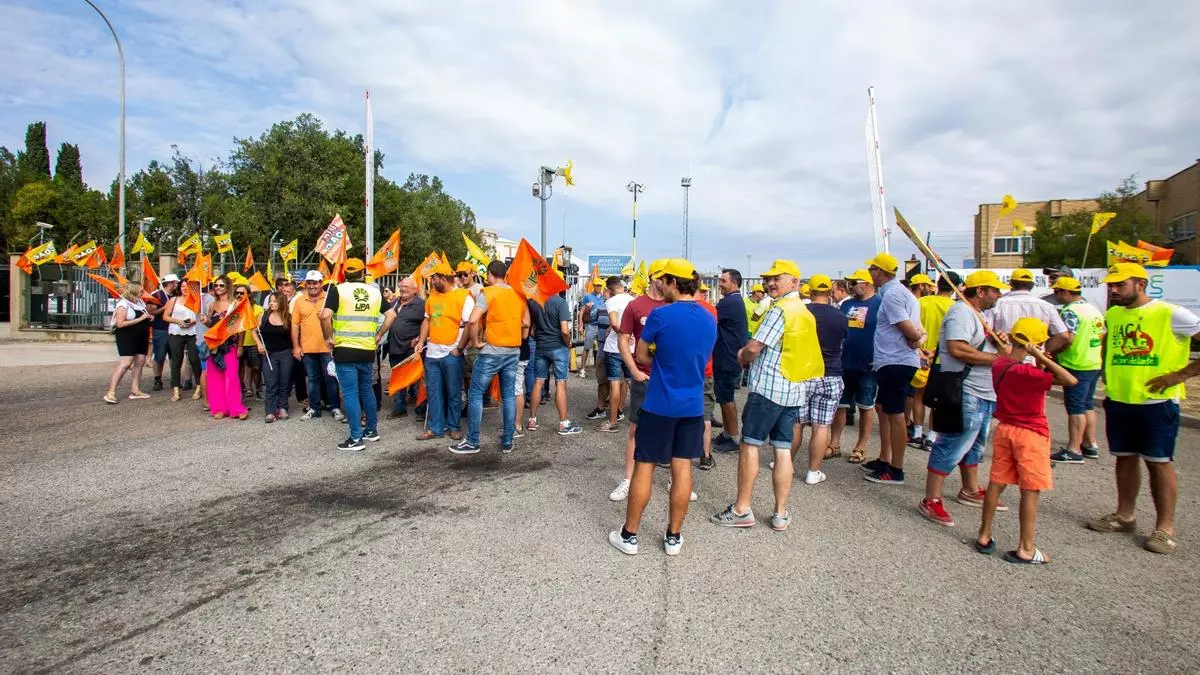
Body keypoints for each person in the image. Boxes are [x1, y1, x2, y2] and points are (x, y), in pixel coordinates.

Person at [1087, 263, 1200, 555]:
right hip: (1121, 399)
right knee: (1124, 458)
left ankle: (1165, 528)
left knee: (1158, 462)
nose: (1113, 290)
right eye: (1110, 285)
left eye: (1120, 284)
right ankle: (1125, 515)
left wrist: (1179, 376)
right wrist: (1107, 372)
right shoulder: (1114, 314)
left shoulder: (1170, 313)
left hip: (1156, 403)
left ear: (1140, 284)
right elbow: (1109, 346)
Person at [608, 260, 716, 556]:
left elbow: (641, 354)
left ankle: (629, 535)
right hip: (692, 405)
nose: (661, 286)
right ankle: (673, 536)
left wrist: (662, 360)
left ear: (672, 282)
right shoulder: (709, 316)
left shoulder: (661, 315)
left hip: (660, 403)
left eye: (664, 281)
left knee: (645, 466)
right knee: (682, 467)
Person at [711, 260, 823, 532]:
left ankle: (741, 509)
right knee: (782, 449)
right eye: (768, 278)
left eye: (777, 278)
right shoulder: (804, 312)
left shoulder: (781, 309)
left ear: (794, 282)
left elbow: (755, 347)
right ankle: (780, 513)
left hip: (769, 389)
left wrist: (742, 355)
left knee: (750, 445)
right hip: (793, 388)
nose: (770, 283)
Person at [975, 317, 1077, 565]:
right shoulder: (1029, 373)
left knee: (996, 482)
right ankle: (1026, 548)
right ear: (1037, 343)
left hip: (1005, 429)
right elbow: (1070, 380)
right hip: (1031, 433)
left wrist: (1035, 357)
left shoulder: (1000, 365)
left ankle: (984, 534)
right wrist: (1041, 358)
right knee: (1030, 490)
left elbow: (1011, 359)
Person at [916, 271, 1009, 526]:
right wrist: (999, 359)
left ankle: (970, 488)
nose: (998, 294)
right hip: (964, 389)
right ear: (980, 291)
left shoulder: (978, 314)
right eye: (995, 290)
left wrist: (1000, 344)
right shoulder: (961, 313)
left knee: (975, 444)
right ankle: (931, 498)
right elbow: (957, 348)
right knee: (953, 442)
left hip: (983, 390)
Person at [451, 260, 529, 454]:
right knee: (508, 395)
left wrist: (476, 342)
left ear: (490, 275)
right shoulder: (517, 294)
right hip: (513, 350)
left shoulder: (488, 292)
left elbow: (473, 320)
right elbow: (526, 323)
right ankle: (507, 441)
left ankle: (473, 441)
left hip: (492, 350)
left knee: (476, 393)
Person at [862, 253, 926, 486]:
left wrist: (915, 338)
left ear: (880, 271)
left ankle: (896, 468)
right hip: (893, 360)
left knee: (895, 414)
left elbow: (910, 329)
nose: (870, 274)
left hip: (895, 360)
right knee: (883, 408)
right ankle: (885, 458)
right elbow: (920, 330)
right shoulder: (901, 293)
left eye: (872, 269)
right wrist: (918, 338)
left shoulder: (893, 295)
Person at [609, 261, 667, 501]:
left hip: (668, 379)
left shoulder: (674, 304)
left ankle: (676, 480)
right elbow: (623, 339)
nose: (667, 281)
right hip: (644, 377)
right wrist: (633, 370)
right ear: (653, 278)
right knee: (635, 430)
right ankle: (628, 480)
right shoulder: (636, 305)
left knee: (671, 430)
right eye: (663, 276)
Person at [320, 258, 384, 451]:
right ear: (363, 273)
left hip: (345, 349)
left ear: (344, 273)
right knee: (366, 390)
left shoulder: (337, 290)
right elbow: (391, 315)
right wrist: (379, 334)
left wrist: (328, 337)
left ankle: (356, 438)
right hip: (367, 349)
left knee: (350, 393)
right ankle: (371, 430)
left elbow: (325, 315)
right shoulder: (375, 292)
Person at [788, 274, 847, 484]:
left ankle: (786, 463)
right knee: (821, 426)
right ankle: (813, 471)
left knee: (797, 424)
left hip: (803, 373)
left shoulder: (801, 312)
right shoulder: (840, 316)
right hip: (831, 374)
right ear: (829, 293)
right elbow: (844, 342)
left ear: (810, 292)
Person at [415, 261, 474, 441]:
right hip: (432, 353)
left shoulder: (463, 297)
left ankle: (454, 426)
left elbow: (470, 324)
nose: (431, 282)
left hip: (451, 353)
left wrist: (460, 348)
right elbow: (427, 320)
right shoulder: (432, 297)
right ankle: (435, 428)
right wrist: (421, 341)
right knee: (433, 392)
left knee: (453, 391)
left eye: (433, 278)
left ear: (442, 278)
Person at [1050, 276, 1106, 463]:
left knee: (1075, 408)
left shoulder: (1070, 312)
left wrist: (1051, 351)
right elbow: (1102, 333)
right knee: (1087, 405)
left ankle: (1074, 449)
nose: (1055, 295)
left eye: (1057, 291)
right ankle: (1090, 444)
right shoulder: (1093, 309)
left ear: (1066, 292)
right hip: (1093, 361)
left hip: (1075, 363)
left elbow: (1067, 337)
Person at [831, 269, 880, 463]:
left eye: (853, 283)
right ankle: (834, 444)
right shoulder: (847, 304)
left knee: (865, 406)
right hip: (845, 363)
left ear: (867, 284)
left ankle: (861, 447)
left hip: (868, 365)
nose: (850, 286)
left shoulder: (880, 304)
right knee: (840, 405)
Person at [909, 272, 958, 450]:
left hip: (920, 354)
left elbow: (913, 327)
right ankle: (932, 436)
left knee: (918, 395)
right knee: (938, 400)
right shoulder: (955, 307)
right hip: (942, 358)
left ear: (938, 284)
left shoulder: (921, 303)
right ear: (954, 288)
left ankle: (916, 433)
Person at [528, 286, 582, 436]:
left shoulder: (534, 302)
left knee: (538, 382)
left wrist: (540, 338)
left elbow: (531, 330)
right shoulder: (560, 302)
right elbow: (564, 330)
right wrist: (568, 343)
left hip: (541, 347)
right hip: (558, 347)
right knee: (560, 383)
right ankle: (564, 423)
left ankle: (532, 420)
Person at [292, 271, 344, 422]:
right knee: (312, 379)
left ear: (321, 283)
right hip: (307, 348)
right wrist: (296, 346)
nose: (312, 286)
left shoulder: (330, 298)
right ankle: (314, 408)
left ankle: (335, 407)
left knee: (331, 379)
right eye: (309, 283)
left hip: (328, 347)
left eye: (315, 283)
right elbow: (295, 325)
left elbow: (339, 320)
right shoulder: (299, 301)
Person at [199, 275, 249, 420]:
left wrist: (240, 346)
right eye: (216, 285)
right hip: (215, 346)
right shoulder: (212, 305)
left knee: (231, 377)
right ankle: (219, 408)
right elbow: (211, 325)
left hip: (230, 345)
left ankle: (237, 409)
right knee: (215, 378)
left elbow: (241, 327)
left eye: (221, 285)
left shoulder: (235, 304)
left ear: (228, 286)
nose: (218, 288)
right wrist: (205, 321)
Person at [989, 269, 1069, 353]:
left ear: (1011, 284)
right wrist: (1044, 350)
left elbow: (987, 331)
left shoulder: (999, 303)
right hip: (1035, 355)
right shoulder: (1047, 306)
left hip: (1006, 355)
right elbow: (1063, 335)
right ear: (1032, 285)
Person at [713, 268, 749, 453]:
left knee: (726, 399)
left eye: (723, 281)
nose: (720, 284)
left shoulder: (730, 302)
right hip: (726, 356)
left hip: (728, 358)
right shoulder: (733, 300)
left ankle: (734, 437)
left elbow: (709, 317)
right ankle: (728, 433)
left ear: (734, 283)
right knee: (723, 397)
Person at [382, 276, 425, 418]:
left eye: (406, 287)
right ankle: (399, 408)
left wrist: (419, 339)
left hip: (411, 347)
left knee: (416, 379)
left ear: (415, 290)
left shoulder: (421, 305)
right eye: (401, 286)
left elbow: (427, 324)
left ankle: (421, 409)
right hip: (394, 345)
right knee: (397, 377)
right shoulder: (394, 302)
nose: (403, 289)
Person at [104, 280, 153, 403]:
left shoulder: (140, 302)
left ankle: (135, 390)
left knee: (140, 361)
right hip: (127, 336)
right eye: (141, 290)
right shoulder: (123, 304)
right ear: (134, 290)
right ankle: (111, 392)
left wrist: (148, 318)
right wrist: (140, 319)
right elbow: (120, 323)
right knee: (125, 363)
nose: (143, 292)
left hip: (141, 336)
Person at [598, 277, 634, 433]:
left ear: (609, 289)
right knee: (633, 383)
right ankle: (642, 419)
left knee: (614, 384)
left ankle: (612, 421)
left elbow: (613, 323)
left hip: (614, 347)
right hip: (631, 348)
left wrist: (623, 334)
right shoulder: (633, 300)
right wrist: (630, 336)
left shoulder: (611, 301)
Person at [253, 290, 295, 423]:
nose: (271, 303)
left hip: (286, 353)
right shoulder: (264, 316)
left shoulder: (289, 317)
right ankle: (270, 411)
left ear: (281, 302)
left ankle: (283, 407)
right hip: (269, 353)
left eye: (274, 301)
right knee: (270, 383)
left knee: (284, 382)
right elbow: (254, 331)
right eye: (270, 301)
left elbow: (294, 334)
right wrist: (259, 344)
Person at [163, 279, 203, 403]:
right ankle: (176, 389)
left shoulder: (197, 300)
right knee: (176, 360)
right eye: (183, 286)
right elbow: (165, 316)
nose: (185, 288)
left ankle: (199, 387)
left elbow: (201, 316)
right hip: (176, 332)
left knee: (194, 359)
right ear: (179, 288)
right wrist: (178, 321)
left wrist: (193, 321)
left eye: (188, 286)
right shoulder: (174, 300)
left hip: (193, 332)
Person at [147, 274, 178, 391]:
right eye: (175, 282)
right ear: (169, 283)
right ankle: (157, 379)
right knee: (159, 356)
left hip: (175, 329)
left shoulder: (177, 295)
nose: (177, 285)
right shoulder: (157, 295)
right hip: (161, 329)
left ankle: (175, 379)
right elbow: (151, 312)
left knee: (174, 356)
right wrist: (165, 307)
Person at [578, 279, 604, 378]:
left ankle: (600, 370)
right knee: (587, 347)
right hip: (591, 325)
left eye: (600, 285)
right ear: (593, 286)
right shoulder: (587, 297)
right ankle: (582, 369)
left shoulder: (604, 297)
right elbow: (581, 311)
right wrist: (580, 325)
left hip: (602, 325)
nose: (598, 287)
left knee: (602, 348)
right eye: (597, 285)